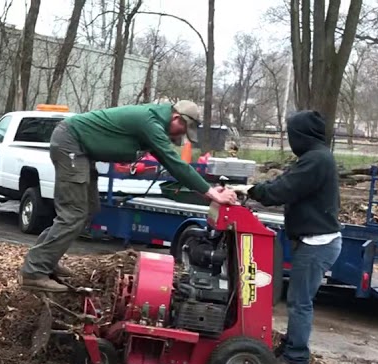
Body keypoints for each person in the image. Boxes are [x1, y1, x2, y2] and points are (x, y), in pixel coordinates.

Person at [19, 99, 239, 292]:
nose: (178, 137)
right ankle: (35, 271)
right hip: (71, 143)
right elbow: (174, 162)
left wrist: (205, 192)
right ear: (176, 118)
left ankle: (47, 257)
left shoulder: (155, 121)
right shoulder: (150, 122)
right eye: (181, 131)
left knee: (88, 209)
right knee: (74, 213)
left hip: (81, 150)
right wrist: (210, 192)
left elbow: (172, 165)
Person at [244, 109, 341, 364]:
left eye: (292, 135)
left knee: (300, 302)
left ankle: (296, 358)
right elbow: (286, 181)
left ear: (302, 135)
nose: (290, 140)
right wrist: (260, 188)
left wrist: (252, 190)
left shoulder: (316, 161)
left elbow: (284, 189)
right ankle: (290, 348)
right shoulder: (314, 157)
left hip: (316, 243)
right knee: (298, 300)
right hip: (312, 240)